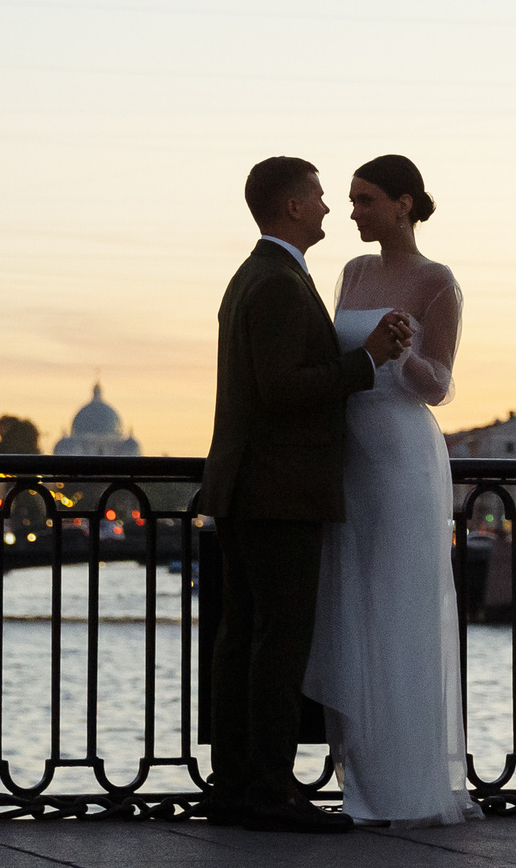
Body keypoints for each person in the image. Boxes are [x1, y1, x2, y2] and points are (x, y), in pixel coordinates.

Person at [197, 156, 411, 833]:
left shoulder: (255, 277)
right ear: (291, 207)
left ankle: (236, 784)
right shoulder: (281, 284)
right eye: (318, 197)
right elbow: (284, 388)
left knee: (242, 642)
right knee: (277, 645)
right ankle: (268, 790)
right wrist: (367, 359)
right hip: (279, 490)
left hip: (246, 484)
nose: (327, 209)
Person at [304, 154, 482, 828]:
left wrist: (399, 353)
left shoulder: (437, 281)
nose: (352, 211)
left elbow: (436, 385)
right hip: (348, 447)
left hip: (401, 455)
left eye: (366, 200)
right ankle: (363, 784)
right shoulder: (351, 273)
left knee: (399, 609)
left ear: (403, 205)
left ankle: (407, 790)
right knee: (353, 605)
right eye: (350, 200)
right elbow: (335, 354)